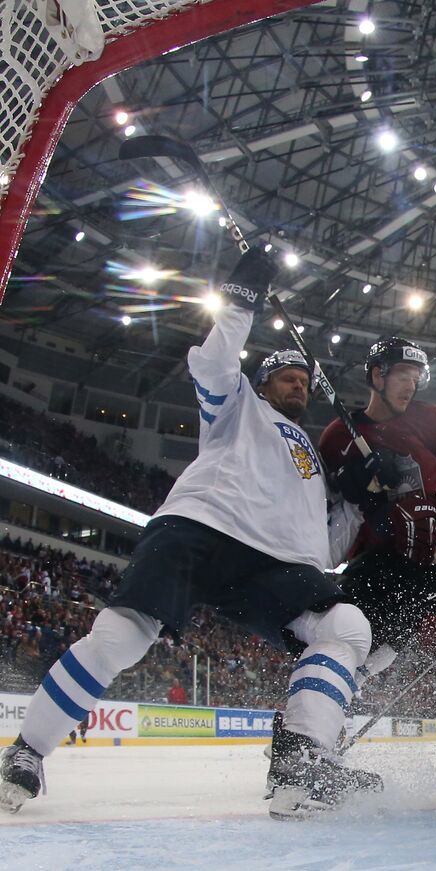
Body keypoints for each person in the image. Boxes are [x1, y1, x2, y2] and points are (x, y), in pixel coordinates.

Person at [0, 250, 381, 819]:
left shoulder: (313, 462)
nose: (298, 385)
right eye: (286, 377)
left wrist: (361, 495)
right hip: (202, 526)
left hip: (275, 563)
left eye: (303, 380)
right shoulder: (236, 406)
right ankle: (27, 751)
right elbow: (212, 362)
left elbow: (323, 547)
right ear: (263, 382)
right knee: (121, 638)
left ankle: (301, 761)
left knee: (346, 625)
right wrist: (241, 301)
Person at [317, 337, 436, 797]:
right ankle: (311, 743)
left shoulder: (435, 420)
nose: (410, 386)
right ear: (377, 375)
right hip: (377, 566)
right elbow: (330, 516)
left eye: (416, 378)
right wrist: (361, 487)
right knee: (364, 653)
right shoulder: (337, 437)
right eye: (401, 376)